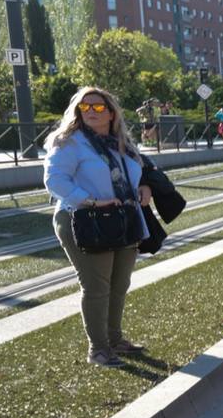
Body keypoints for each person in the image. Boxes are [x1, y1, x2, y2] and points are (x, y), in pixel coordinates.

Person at [42, 86, 152, 367]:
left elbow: (138, 171)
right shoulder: (69, 141)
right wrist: (90, 201)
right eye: (85, 107)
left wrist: (145, 187)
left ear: (111, 112)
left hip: (123, 218)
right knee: (96, 287)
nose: (91, 111)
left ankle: (115, 340)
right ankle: (99, 349)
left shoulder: (120, 141)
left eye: (98, 107)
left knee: (119, 284)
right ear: (77, 111)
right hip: (84, 220)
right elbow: (55, 181)